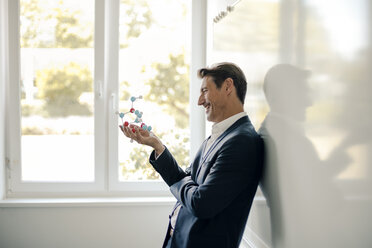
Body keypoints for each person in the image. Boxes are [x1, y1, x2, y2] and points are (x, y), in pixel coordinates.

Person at [120, 62, 264, 248]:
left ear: (228, 86)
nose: (199, 101)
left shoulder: (242, 142)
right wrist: (157, 146)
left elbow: (200, 203)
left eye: (205, 90)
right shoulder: (220, 135)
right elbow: (187, 180)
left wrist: (187, 182)